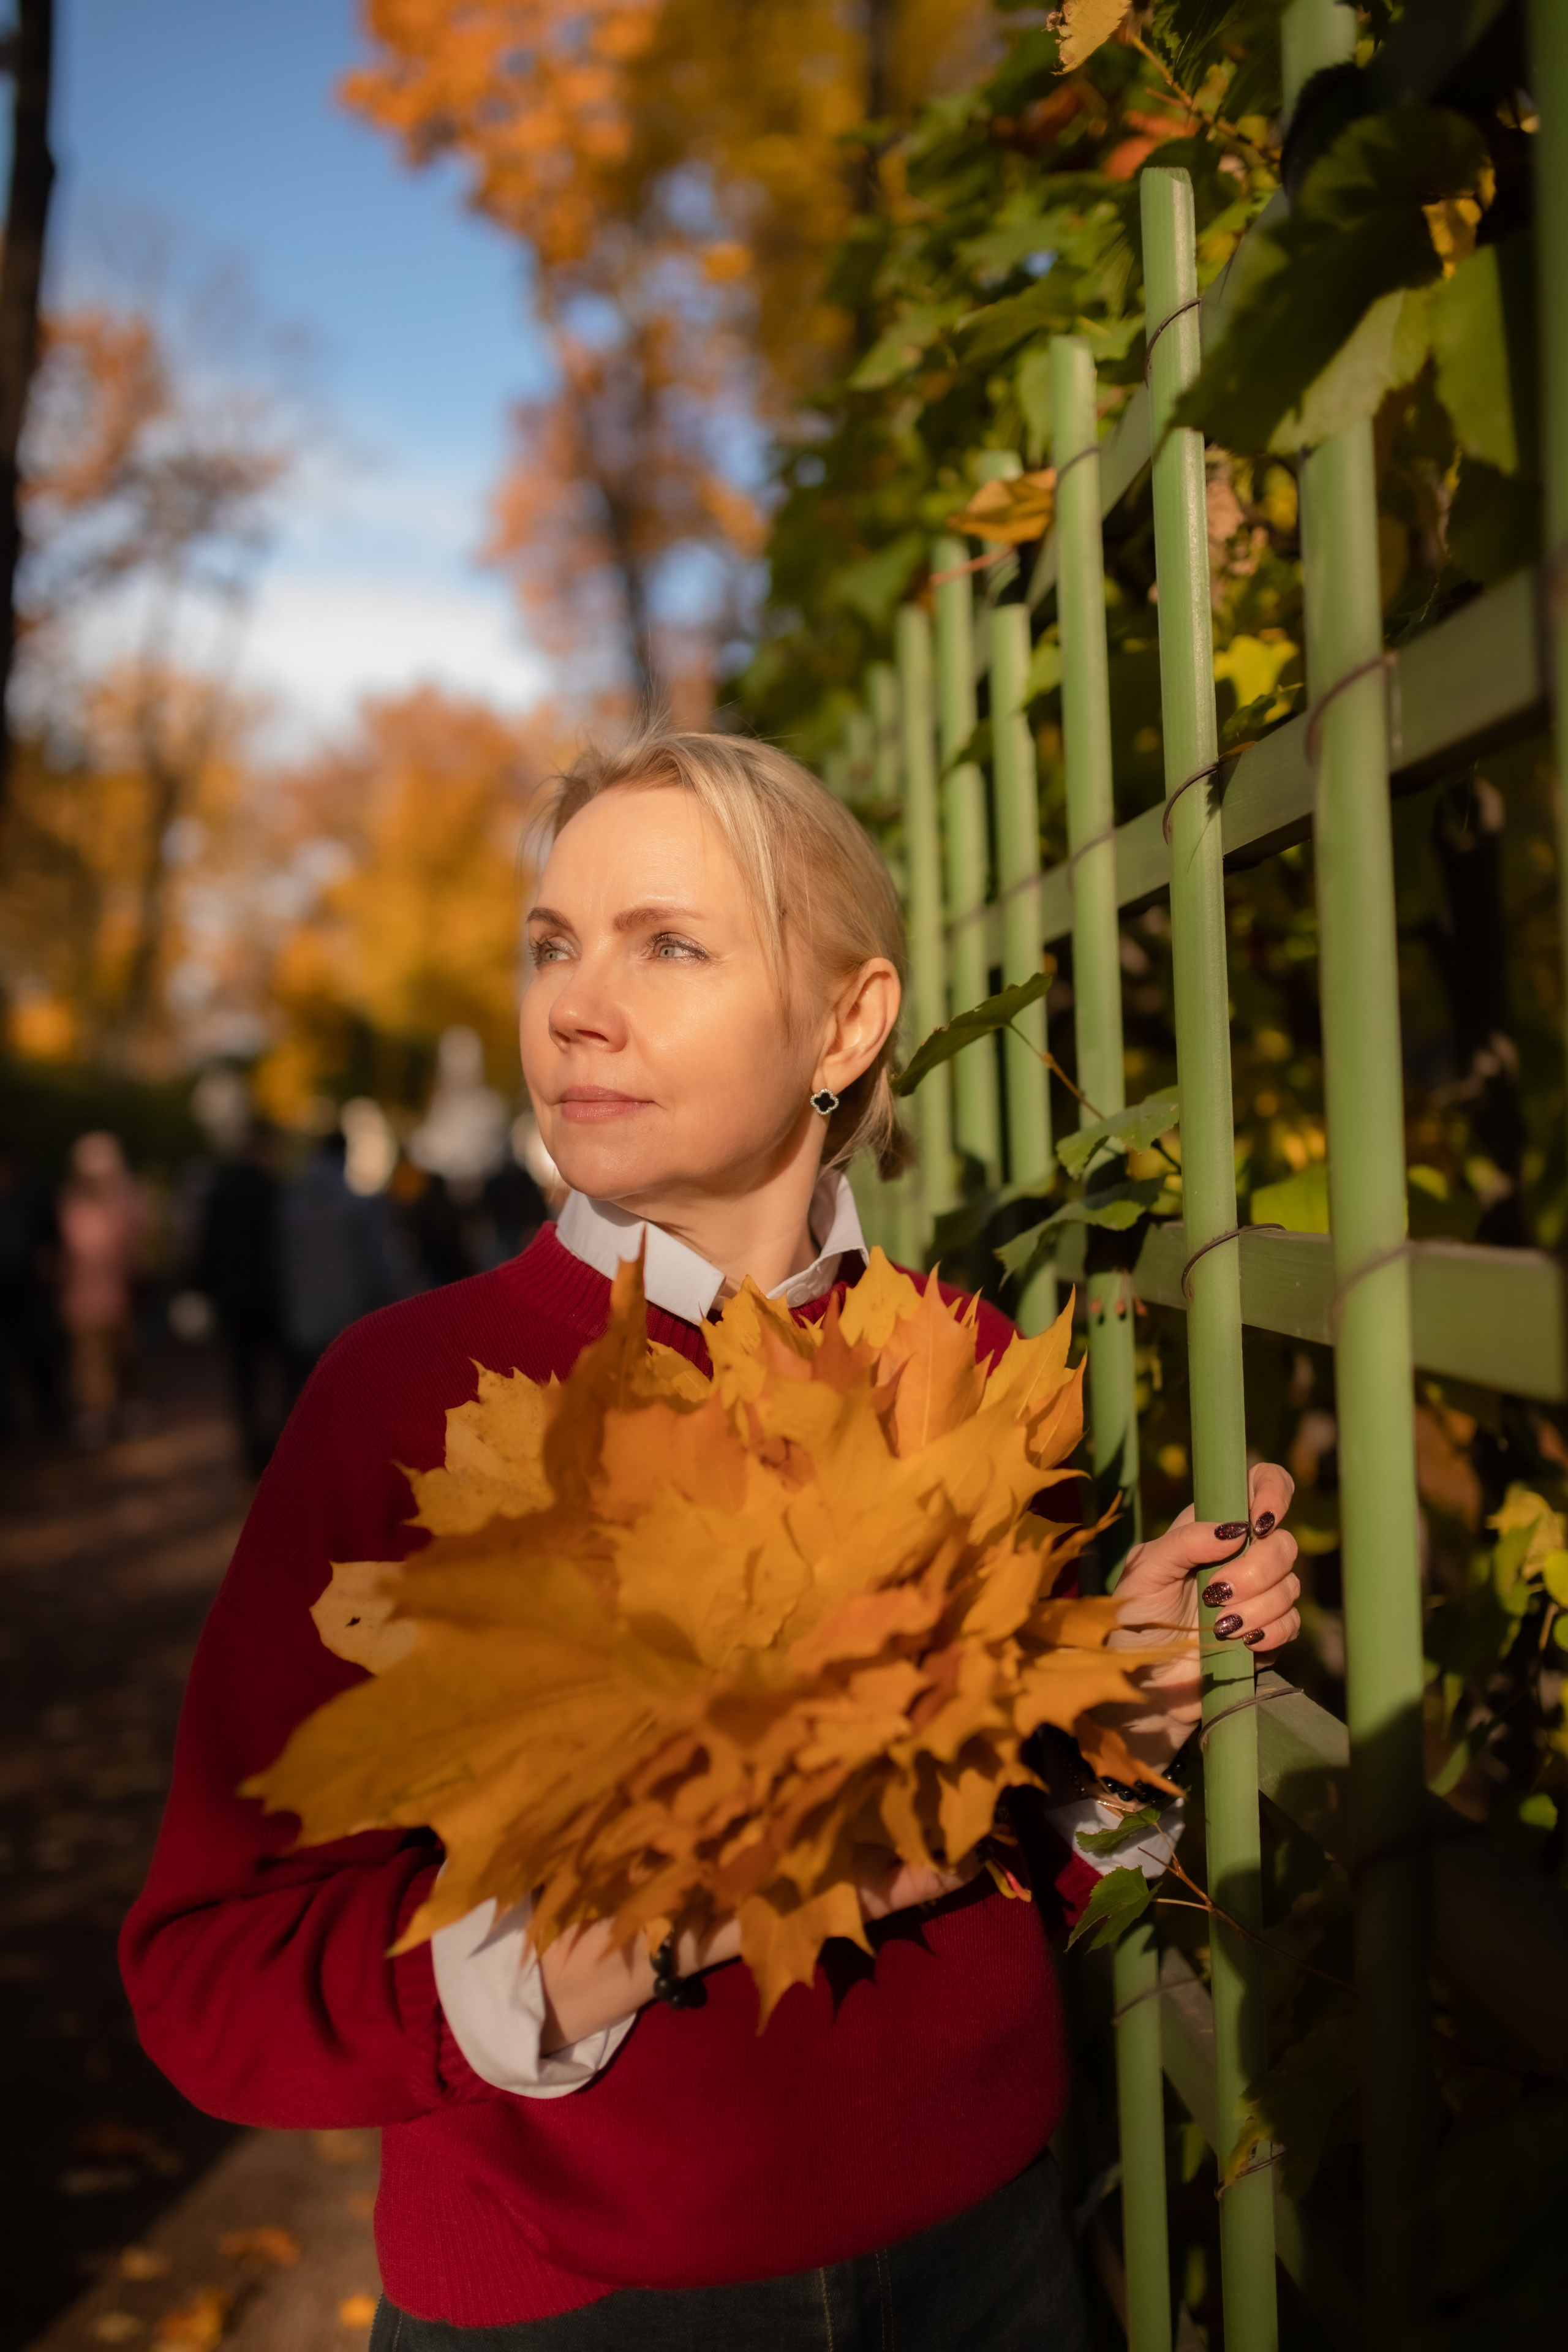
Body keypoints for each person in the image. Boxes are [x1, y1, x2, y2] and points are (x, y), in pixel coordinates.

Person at [120, 733, 1301, 2350]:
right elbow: (211, 1974)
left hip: (995, 2259)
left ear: (847, 1021)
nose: (575, 1005)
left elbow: (1006, 1868)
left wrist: (1121, 1722)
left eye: (668, 944)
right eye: (553, 945)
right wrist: (614, 1939)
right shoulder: (412, 1396)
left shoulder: (949, 1356)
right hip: (589, 2310)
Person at [278, 1128, 405, 1392]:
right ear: (345, 1153)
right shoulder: (357, 1204)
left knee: (312, 1393)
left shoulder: (290, 1203)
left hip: (303, 1314)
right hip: (350, 1313)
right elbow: (376, 1261)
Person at [195, 1123, 286, 1476]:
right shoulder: (273, 1189)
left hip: (233, 1298)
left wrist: (205, 1287)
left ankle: (251, 1448)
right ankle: (279, 1447)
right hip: (271, 1296)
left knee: (243, 1376)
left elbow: (207, 1245)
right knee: (279, 1375)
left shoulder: (221, 1189)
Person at [57, 1131, 146, 1449]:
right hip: (86, 1297)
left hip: (118, 1295)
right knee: (91, 1363)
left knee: (124, 1357)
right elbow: (81, 1247)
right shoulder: (75, 1201)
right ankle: (97, 1416)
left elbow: (132, 1241)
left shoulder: (123, 1198)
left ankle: (123, 1410)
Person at [0, 1142, 62, 1442]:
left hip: (31, 1292)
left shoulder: (33, 1198)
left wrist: (49, 1261)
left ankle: (49, 1416)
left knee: (39, 1355)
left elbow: (53, 1238)